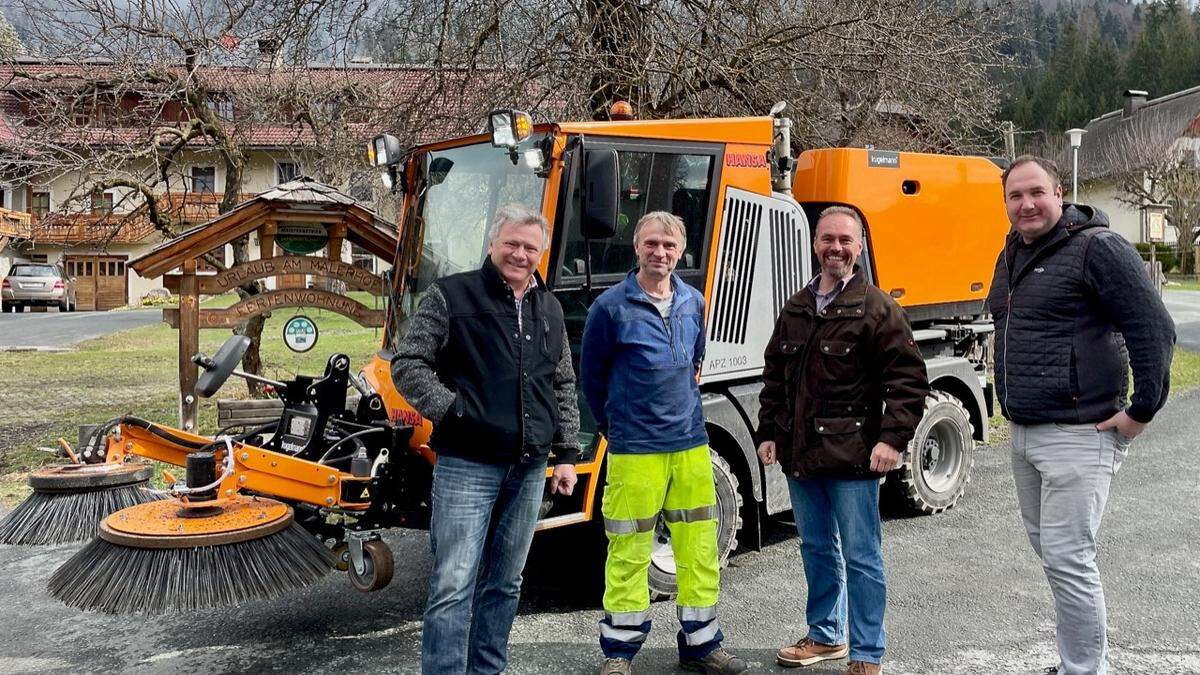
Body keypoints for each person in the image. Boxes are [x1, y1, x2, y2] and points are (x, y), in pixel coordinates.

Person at [987, 156, 1175, 675]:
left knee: (1070, 560)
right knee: (1056, 557)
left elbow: (1152, 328)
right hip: (1025, 432)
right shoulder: (1012, 252)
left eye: (1036, 193)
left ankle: (1085, 671)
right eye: (1014, 196)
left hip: (1079, 433)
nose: (1026, 204)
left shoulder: (1098, 247)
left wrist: (1142, 410)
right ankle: (1081, 662)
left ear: (1059, 192)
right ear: (1004, 203)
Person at [391, 204, 580, 675]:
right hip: (467, 464)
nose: (520, 254)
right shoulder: (452, 296)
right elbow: (408, 364)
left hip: (530, 466)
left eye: (530, 247)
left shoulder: (550, 308)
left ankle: (487, 669)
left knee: (506, 583)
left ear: (542, 252)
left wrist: (566, 454)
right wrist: (454, 410)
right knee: (453, 583)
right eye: (511, 243)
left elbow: (561, 385)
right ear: (493, 244)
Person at [756, 206, 929, 675]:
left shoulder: (877, 308)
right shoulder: (796, 307)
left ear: (858, 247)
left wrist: (892, 440)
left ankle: (867, 651)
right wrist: (768, 431)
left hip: (854, 457)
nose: (836, 247)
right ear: (815, 244)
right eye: (828, 239)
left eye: (845, 240)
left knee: (862, 556)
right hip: (801, 456)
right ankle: (826, 635)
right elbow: (776, 377)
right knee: (815, 548)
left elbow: (908, 381)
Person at [581, 211, 748, 675]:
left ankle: (702, 644)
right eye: (652, 244)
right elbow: (591, 380)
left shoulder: (695, 302)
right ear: (637, 247)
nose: (661, 253)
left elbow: (693, 363)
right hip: (635, 450)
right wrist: (616, 428)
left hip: (691, 445)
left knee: (699, 549)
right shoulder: (610, 308)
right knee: (629, 550)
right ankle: (618, 654)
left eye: (670, 246)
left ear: (681, 251)